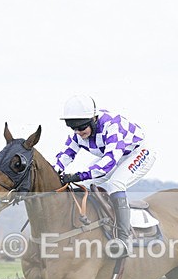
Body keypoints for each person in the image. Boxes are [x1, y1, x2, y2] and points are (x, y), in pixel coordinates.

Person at [55, 95, 155, 258]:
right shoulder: (78, 132)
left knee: (116, 183)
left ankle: (124, 239)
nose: (78, 132)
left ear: (93, 119)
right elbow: (66, 154)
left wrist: (78, 175)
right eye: (73, 128)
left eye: (81, 128)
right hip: (117, 155)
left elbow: (109, 161)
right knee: (85, 184)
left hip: (139, 152)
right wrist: (54, 172)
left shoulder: (111, 125)